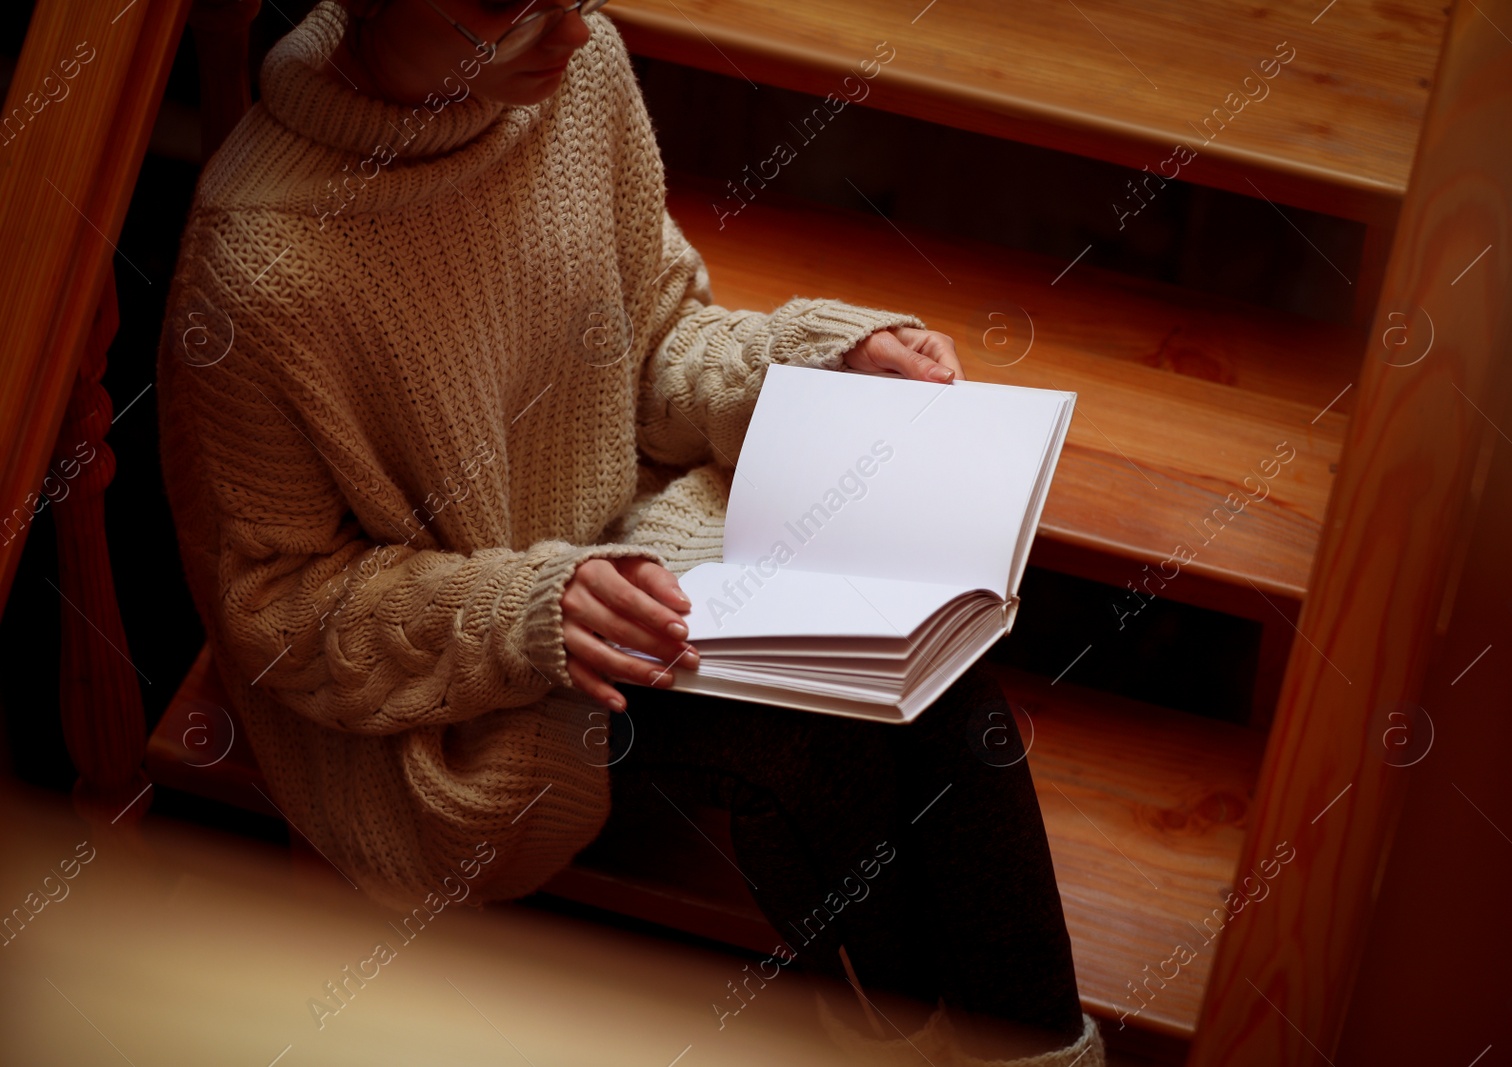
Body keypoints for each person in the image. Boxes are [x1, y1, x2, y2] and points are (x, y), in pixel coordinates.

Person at [156, 1, 1103, 1063]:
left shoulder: (576, 72)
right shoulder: (258, 261)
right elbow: (279, 607)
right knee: (817, 733)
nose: (568, 32)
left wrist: (808, 369)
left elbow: (654, 338)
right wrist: (529, 608)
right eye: (510, 13)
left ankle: (1004, 1046)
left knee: (936, 664)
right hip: (459, 685)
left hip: (642, 540)